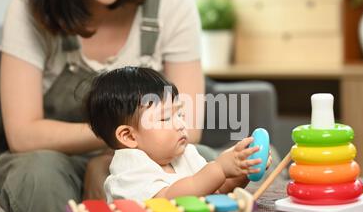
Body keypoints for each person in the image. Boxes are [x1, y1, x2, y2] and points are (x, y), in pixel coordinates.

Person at [0, 0, 210, 212]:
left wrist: (112, 160)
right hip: (55, 158)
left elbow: (189, 125)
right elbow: (22, 134)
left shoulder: (174, 7)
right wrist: (110, 144)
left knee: (206, 161)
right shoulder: (28, 12)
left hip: (145, 154)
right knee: (39, 174)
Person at [85, 66, 271, 202]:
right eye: (165, 118)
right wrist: (219, 168)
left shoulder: (185, 154)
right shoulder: (129, 166)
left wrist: (243, 169)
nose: (181, 124)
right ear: (129, 136)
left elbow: (216, 190)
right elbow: (168, 198)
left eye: (180, 114)